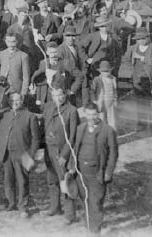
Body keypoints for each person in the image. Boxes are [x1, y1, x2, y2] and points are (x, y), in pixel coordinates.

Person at [0, 92, 40, 215]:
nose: (15, 103)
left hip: (23, 153)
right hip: (6, 152)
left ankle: (23, 206)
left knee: (22, 180)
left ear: (22, 101)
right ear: (9, 102)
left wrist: (31, 156)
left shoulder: (30, 116)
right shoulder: (4, 114)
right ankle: (11, 203)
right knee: (8, 179)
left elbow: (36, 139)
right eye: (12, 100)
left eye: (18, 100)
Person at [71, 103, 118, 234]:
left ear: (98, 114)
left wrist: (108, 172)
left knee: (96, 203)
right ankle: (88, 226)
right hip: (81, 172)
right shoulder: (80, 128)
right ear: (84, 114)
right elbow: (74, 149)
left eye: (94, 114)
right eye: (88, 114)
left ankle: (95, 231)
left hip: (97, 173)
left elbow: (113, 153)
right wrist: (71, 168)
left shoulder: (108, 130)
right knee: (84, 200)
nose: (91, 117)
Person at [41, 86, 79, 222]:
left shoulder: (72, 111)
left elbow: (73, 137)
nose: (59, 98)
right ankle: (55, 208)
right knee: (52, 181)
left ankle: (70, 215)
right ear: (51, 96)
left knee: (66, 182)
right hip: (49, 150)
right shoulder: (48, 107)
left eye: (61, 95)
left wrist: (64, 155)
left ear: (65, 94)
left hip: (62, 152)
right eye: (55, 95)